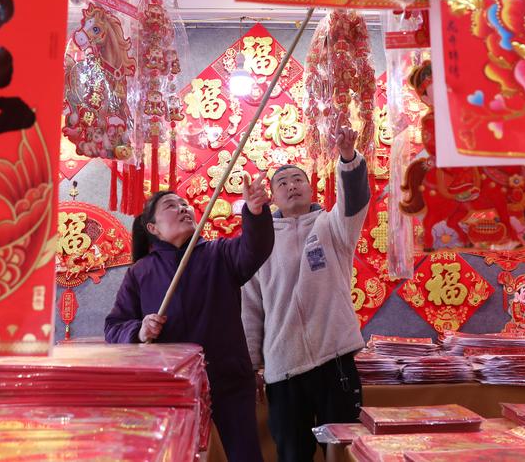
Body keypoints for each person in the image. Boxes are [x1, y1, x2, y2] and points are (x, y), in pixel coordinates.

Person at [105, 174, 273, 462]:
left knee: (242, 455)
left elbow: (255, 249)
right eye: (171, 205)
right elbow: (114, 327)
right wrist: (140, 330)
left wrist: (255, 213)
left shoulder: (220, 253)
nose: (183, 208)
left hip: (228, 381)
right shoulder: (141, 272)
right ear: (153, 228)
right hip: (171, 387)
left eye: (184, 204)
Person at [242, 127, 371, 461]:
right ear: (272, 196)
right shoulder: (260, 241)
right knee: (292, 453)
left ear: (310, 187)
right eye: (282, 183)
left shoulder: (333, 226)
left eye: (298, 179)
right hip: (283, 366)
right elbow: (250, 308)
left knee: (342, 452)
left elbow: (354, 204)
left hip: (335, 358)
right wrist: (251, 365)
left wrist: (348, 159)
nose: (291, 185)